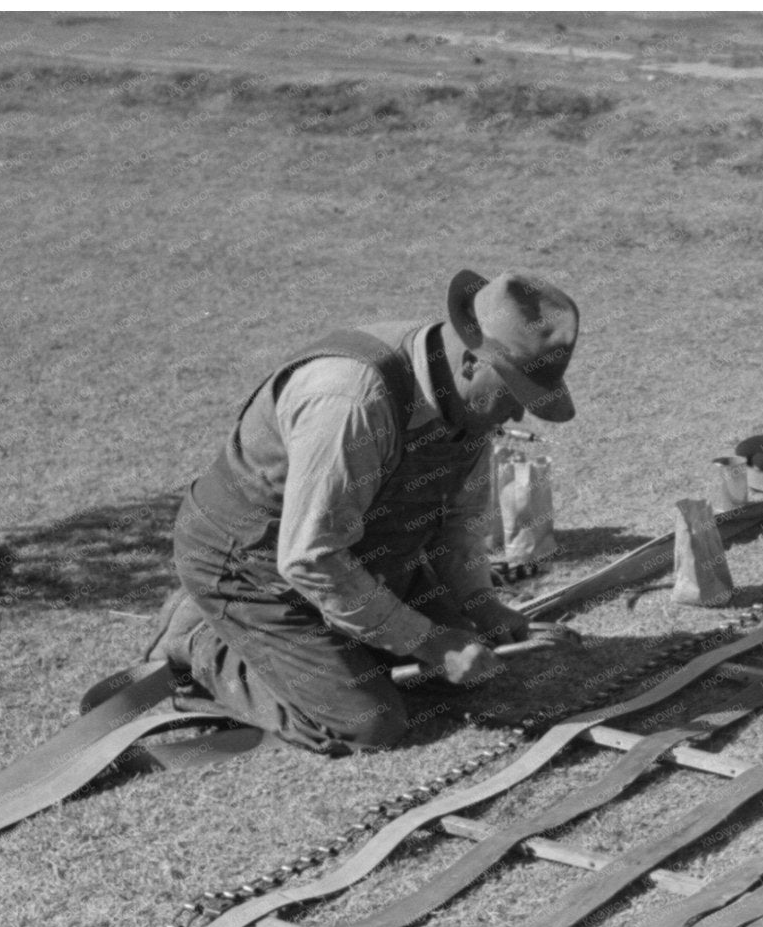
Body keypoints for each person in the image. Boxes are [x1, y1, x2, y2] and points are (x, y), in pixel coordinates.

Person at [142, 269, 579, 754]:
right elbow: (311, 558)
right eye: (515, 394)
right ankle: (201, 643)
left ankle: (338, 646)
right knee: (368, 725)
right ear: (473, 364)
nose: (517, 416)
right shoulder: (350, 398)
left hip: (361, 553)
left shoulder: (464, 400)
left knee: (469, 670)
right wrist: (431, 641)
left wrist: (481, 605)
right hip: (253, 564)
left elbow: (458, 526)